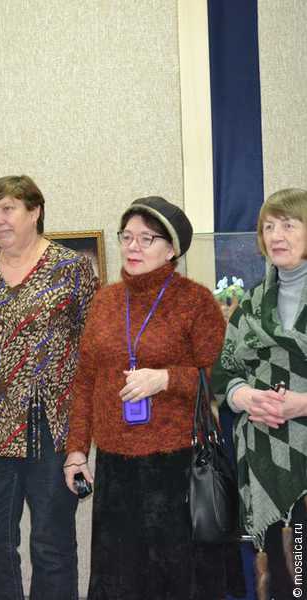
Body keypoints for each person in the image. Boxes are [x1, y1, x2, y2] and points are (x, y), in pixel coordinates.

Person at [64, 197, 229, 599]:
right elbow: (84, 380)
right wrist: (76, 451)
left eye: (146, 238)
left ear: (171, 249)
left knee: (177, 580)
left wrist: (166, 379)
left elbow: (221, 376)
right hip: (115, 466)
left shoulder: (195, 301)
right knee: (119, 580)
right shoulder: (105, 301)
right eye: (127, 237)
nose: (132, 247)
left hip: (176, 465)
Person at [0, 174, 98, 600]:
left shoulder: (71, 268)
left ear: (34, 211)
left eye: (8, 209)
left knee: (51, 545)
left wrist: (81, 440)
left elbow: (92, 350)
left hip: (50, 428)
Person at [213, 188, 307, 599]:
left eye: (288, 224)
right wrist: (246, 398)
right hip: (265, 460)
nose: (276, 236)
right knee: (284, 581)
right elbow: (223, 373)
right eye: (268, 227)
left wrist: (301, 404)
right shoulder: (250, 303)